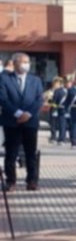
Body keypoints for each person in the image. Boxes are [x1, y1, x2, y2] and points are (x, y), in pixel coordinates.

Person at [0, 53, 43, 191]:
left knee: (31, 153)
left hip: (30, 122)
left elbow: (39, 99)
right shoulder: (4, 79)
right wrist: (18, 113)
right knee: (11, 153)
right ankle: (10, 181)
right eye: (23, 62)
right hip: (12, 121)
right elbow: (3, 99)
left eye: (27, 62)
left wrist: (28, 114)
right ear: (15, 63)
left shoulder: (35, 80)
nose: (26, 64)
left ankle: (32, 180)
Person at [49, 77, 68, 144]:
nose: (55, 85)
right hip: (63, 109)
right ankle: (61, 138)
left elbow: (53, 101)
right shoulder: (65, 91)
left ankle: (55, 137)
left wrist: (50, 100)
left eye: (56, 83)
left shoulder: (57, 91)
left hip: (56, 108)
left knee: (56, 124)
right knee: (61, 124)